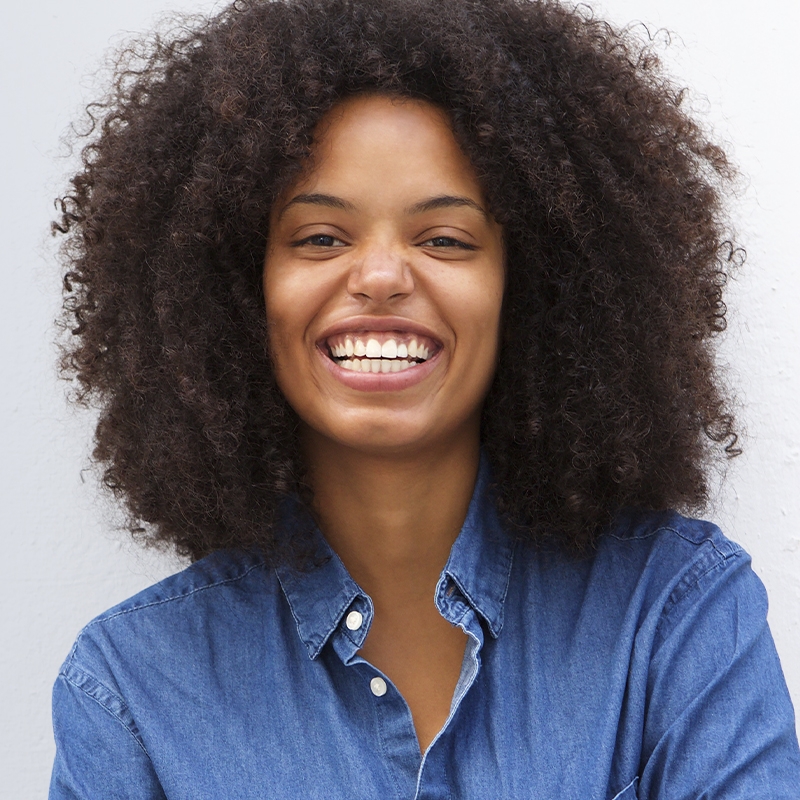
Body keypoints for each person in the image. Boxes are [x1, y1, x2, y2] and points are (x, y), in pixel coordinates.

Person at [49, 0, 800, 797]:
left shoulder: (675, 614)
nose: (379, 277)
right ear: (238, 289)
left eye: (445, 239)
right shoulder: (129, 691)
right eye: (320, 238)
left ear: (534, 288)